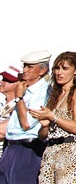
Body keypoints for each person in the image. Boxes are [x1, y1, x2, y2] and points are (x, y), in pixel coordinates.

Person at [31, 52, 76, 184]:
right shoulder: (55, 95)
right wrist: (45, 125)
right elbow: (42, 135)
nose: (59, 72)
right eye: (57, 68)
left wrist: (53, 116)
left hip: (69, 151)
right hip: (50, 151)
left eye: (65, 68)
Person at [0, 50, 52, 184]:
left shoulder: (44, 91)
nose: (25, 70)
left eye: (30, 67)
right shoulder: (24, 88)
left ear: (42, 70)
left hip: (27, 149)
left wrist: (19, 97)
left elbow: (27, 123)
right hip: (10, 146)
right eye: (24, 66)